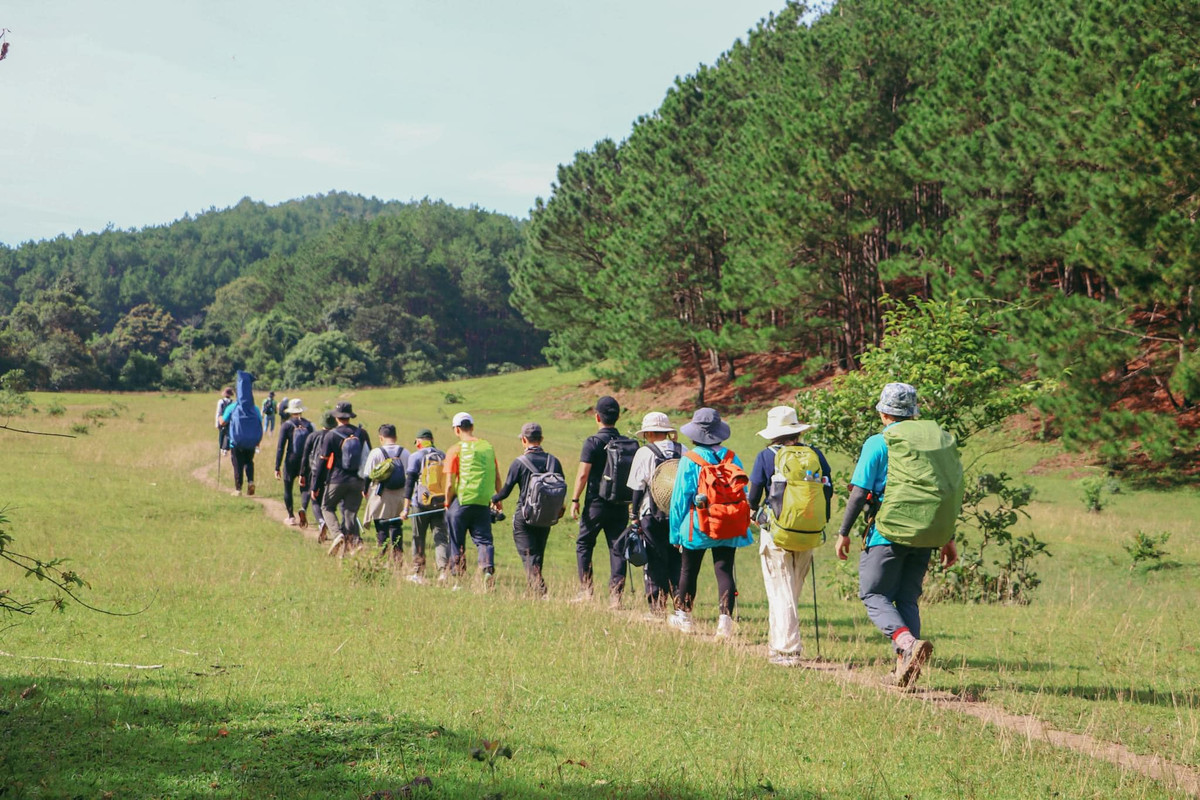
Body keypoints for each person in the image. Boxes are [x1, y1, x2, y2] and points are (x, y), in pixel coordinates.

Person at [835, 383, 962, 689]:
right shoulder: (931, 447)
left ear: (883, 413)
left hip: (886, 533)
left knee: (873, 594)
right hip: (927, 535)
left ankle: (906, 644)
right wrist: (947, 537)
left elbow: (859, 494)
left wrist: (843, 533)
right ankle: (903, 670)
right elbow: (941, 491)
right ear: (914, 413)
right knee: (906, 598)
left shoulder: (879, 443)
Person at [748, 406, 833, 666]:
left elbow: (753, 497)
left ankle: (787, 650)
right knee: (791, 589)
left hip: (777, 532)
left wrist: (753, 514)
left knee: (779, 588)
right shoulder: (814, 454)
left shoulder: (766, 456)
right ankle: (778, 644)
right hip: (808, 530)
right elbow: (827, 490)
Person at [668, 407, 754, 637]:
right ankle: (724, 623)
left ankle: (684, 617)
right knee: (724, 570)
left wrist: (676, 533)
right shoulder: (731, 456)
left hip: (698, 524)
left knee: (688, 570)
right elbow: (741, 489)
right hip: (728, 523)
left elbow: (679, 499)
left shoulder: (690, 460)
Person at [570, 396, 635, 607]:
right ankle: (616, 597)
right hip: (620, 504)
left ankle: (586, 591)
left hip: (596, 504)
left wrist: (575, 499)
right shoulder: (626, 442)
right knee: (617, 548)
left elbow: (582, 474)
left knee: (584, 544)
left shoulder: (593, 442)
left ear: (597, 417)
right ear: (618, 416)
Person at [492, 422, 566, 597]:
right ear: (541, 439)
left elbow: (506, 491)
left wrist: (494, 499)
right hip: (547, 516)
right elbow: (561, 487)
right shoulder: (553, 461)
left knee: (528, 553)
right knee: (538, 554)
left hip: (525, 516)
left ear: (524, 440)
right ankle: (532, 590)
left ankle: (540, 589)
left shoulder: (519, 462)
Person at [626, 411, 686, 618]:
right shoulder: (683, 450)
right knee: (677, 559)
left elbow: (637, 487)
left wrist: (634, 514)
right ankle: (681, 604)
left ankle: (657, 607)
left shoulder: (645, 453)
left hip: (651, 514)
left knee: (654, 559)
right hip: (679, 516)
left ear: (649, 433)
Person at [443, 412, 501, 588]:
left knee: (456, 541)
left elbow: (449, 484)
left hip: (461, 502)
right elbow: (497, 477)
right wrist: (498, 498)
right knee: (484, 541)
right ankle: (487, 570)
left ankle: (458, 581)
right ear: (472, 427)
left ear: (457, 429)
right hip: (483, 502)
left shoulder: (455, 450)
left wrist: (447, 503)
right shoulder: (488, 448)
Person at [313, 401, 372, 556]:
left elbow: (322, 462)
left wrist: (315, 486)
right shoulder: (362, 433)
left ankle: (337, 534)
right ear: (350, 416)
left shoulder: (331, 435)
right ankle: (354, 543)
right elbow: (368, 459)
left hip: (336, 479)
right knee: (350, 513)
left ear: (337, 417)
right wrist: (367, 485)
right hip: (357, 481)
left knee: (326, 507)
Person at [403, 428, 449, 583]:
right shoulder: (443, 455)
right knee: (441, 538)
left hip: (420, 504)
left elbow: (409, 483)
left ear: (419, 442)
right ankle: (443, 571)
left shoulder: (415, 456)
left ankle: (418, 572)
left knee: (418, 537)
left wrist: (405, 507)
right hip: (441, 504)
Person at [361, 424, 411, 565]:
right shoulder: (405, 452)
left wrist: (365, 490)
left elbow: (367, 475)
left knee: (381, 526)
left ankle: (381, 557)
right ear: (395, 437)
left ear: (381, 437)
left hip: (381, 495)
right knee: (396, 526)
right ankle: (398, 558)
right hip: (400, 495)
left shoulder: (376, 452)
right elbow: (410, 475)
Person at [220, 372, 263, 497]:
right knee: (249, 462)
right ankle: (251, 481)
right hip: (251, 441)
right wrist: (258, 441)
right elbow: (259, 423)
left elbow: (223, 422)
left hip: (236, 442)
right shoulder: (254, 409)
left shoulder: (232, 407)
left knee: (237, 464)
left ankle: (238, 489)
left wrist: (219, 417)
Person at [275, 399, 315, 527]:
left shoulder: (286, 425)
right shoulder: (309, 425)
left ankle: (291, 516)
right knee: (305, 487)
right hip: (306, 460)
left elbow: (281, 447)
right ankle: (303, 507)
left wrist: (277, 466)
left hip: (290, 459)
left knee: (288, 488)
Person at [303, 411, 337, 542]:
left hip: (316, 471)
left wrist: (302, 473)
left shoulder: (313, 436)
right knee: (328, 502)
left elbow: (305, 456)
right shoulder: (336, 436)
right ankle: (332, 525)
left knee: (314, 500)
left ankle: (321, 522)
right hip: (333, 473)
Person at [215, 387, 234, 454]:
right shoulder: (232, 402)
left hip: (222, 419)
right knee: (228, 435)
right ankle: (226, 448)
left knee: (221, 434)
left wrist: (217, 423)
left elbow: (218, 412)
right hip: (229, 421)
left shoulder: (221, 402)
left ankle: (221, 448)